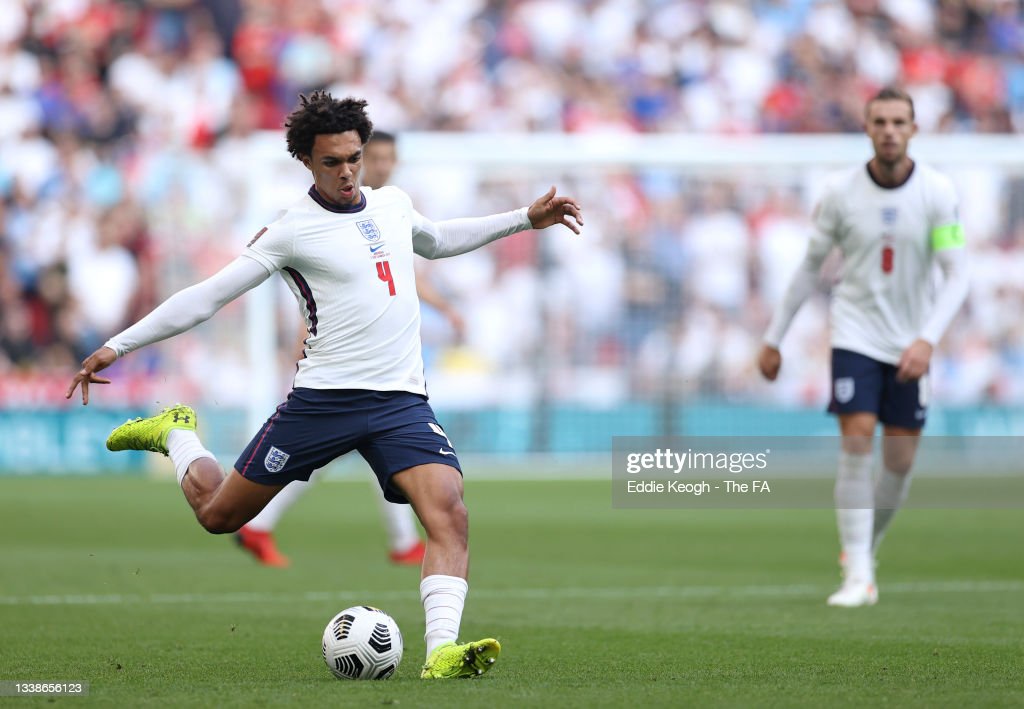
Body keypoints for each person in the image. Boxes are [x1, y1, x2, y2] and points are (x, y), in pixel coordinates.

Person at [66, 91, 583, 677]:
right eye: (332, 162)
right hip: (322, 403)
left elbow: (437, 241)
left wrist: (524, 219)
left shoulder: (392, 204)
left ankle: (441, 651)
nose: (346, 173)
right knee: (218, 516)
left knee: (450, 514)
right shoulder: (291, 232)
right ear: (308, 163)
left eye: (353, 159)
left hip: (400, 402)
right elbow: (207, 297)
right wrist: (118, 345)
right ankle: (178, 432)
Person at [757, 87, 968, 607]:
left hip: (910, 340)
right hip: (854, 332)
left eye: (900, 122)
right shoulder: (841, 193)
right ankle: (859, 579)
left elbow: (958, 274)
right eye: (881, 121)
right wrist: (774, 336)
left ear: (914, 129)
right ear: (867, 129)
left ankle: (862, 549)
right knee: (856, 439)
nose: (890, 130)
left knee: (899, 460)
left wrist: (927, 339)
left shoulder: (938, 193)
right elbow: (810, 267)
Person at [235, 130, 464, 568]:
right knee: (365, 453)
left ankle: (396, 541)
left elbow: (394, 278)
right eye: (374, 156)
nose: (380, 165)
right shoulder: (325, 216)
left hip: (380, 363)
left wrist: (441, 308)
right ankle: (259, 523)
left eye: (386, 158)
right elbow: (329, 287)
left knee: (376, 454)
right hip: (337, 363)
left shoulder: (387, 208)